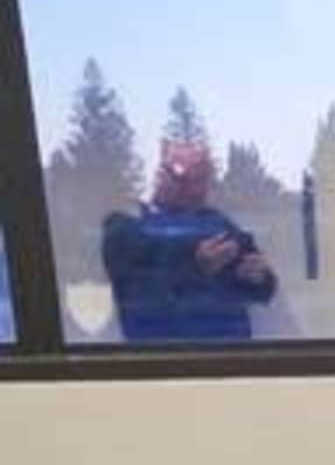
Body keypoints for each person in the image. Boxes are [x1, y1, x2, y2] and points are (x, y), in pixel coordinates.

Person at [103, 138, 279, 342]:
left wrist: (259, 277)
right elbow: (138, 295)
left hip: (231, 358)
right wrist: (194, 267)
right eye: (185, 180)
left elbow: (261, 290)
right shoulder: (127, 227)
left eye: (202, 180)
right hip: (164, 360)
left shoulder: (218, 224)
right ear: (160, 176)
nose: (196, 190)